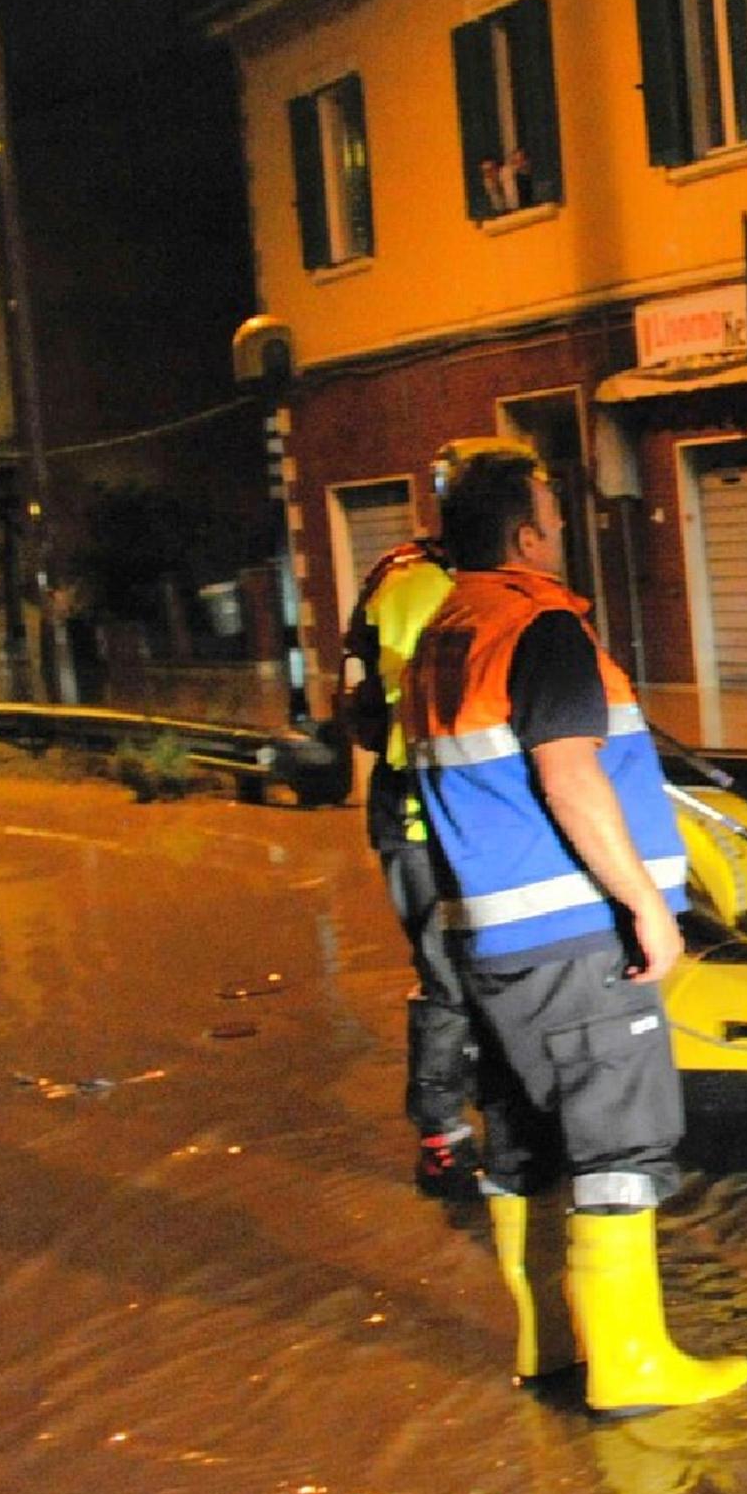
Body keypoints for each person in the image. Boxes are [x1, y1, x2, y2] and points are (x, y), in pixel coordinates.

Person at [402, 448, 747, 1417]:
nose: (560, 539)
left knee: (524, 1140)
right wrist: (644, 902)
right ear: (526, 537)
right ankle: (633, 1365)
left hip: (493, 938)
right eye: (553, 521)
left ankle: (550, 1348)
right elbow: (569, 774)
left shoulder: (444, 632)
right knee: (620, 1139)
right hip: (571, 934)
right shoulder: (540, 624)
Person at [339, 435, 529, 1199]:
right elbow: (442, 707)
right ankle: (443, 1137)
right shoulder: (419, 586)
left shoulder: (472, 580)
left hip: (474, 815)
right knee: (450, 977)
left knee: (494, 970)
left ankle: (503, 1123)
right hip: (426, 817)